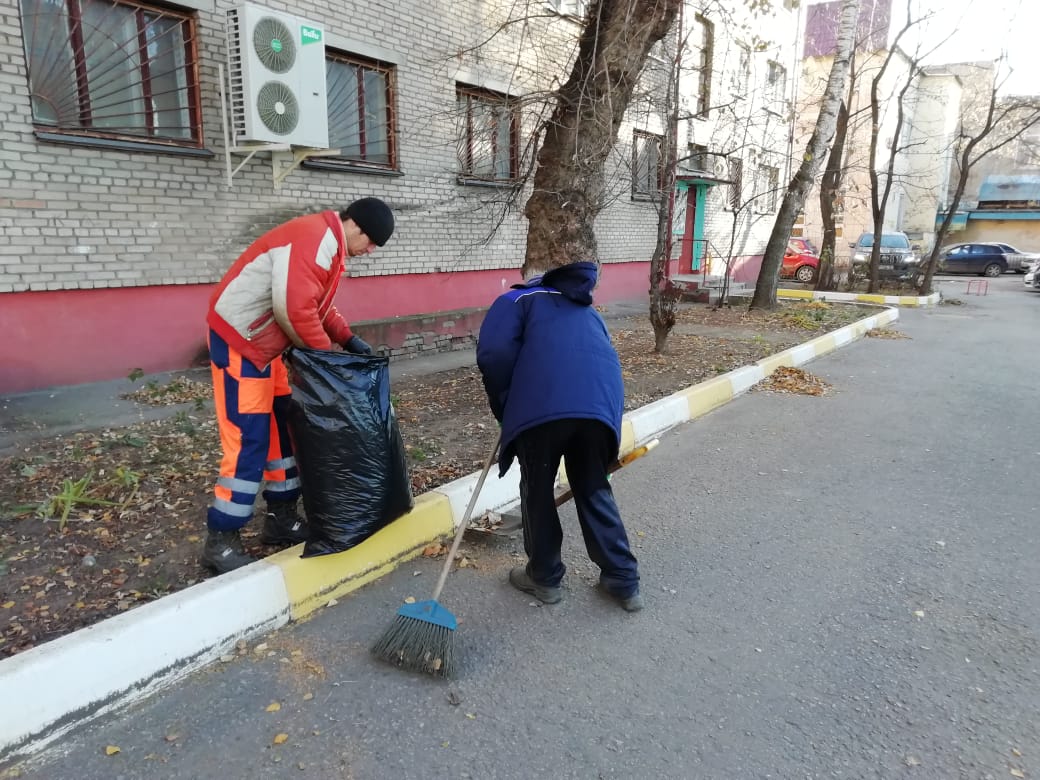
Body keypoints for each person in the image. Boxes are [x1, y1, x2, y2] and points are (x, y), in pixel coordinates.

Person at [201, 197, 394, 573]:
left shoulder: (331, 248)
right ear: (355, 225)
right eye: (371, 243)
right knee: (248, 440)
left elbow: (318, 306)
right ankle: (221, 540)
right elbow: (294, 309)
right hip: (241, 344)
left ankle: (281, 518)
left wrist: (347, 339)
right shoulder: (314, 238)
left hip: (268, 349)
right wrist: (327, 361)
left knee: (283, 433)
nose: (370, 252)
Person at [476, 261, 643, 611]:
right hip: (599, 408)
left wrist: (506, 404)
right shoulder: (587, 310)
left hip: (543, 409)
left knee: (537, 490)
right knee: (593, 487)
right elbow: (601, 359)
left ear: (533, 278)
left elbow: (493, 354)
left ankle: (544, 577)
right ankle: (623, 580)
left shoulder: (517, 300)